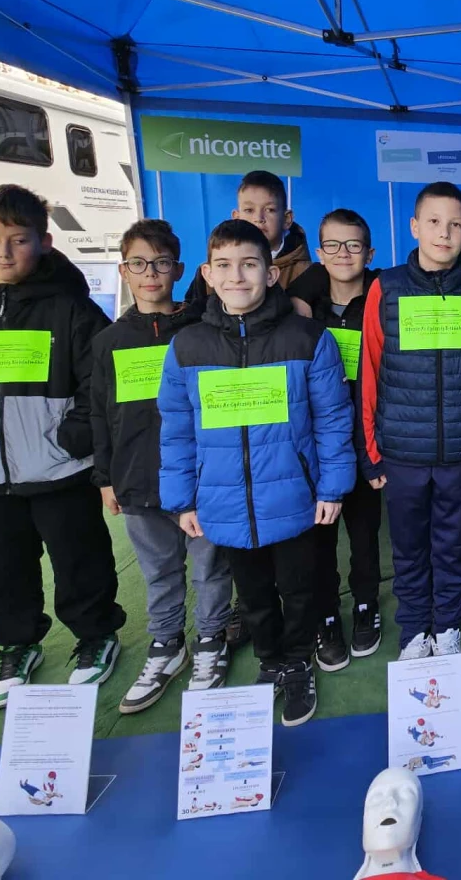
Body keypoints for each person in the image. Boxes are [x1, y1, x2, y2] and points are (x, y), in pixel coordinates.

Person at [0, 184, 124, 709]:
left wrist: (71, 438)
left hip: (60, 471)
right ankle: (17, 644)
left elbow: (99, 385)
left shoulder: (73, 312)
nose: (5, 253)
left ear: (44, 241)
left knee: (79, 558)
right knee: (3, 567)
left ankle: (95, 635)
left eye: (18, 240)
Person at [159, 219, 355, 727]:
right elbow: (176, 428)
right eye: (224, 266)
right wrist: (182, 498)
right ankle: (270, 660)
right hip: (224, 501)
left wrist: (332, 486)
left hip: (295, 497)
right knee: (253, 595)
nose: (237, 276)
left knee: (300, 588)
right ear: (207, 274)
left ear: (270, 274)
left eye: (249, 264)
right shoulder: (187, 347)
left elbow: (333, 418)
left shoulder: (308, 338)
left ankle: (298, 661)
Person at [91, 219, 232, 713]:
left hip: (200, 477)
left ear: (177, 269)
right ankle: (167, 644)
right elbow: (99, 412)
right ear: (123, 271)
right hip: (136, 477)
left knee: (210, 567)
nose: (150, 273)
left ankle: (212, 638)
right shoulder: (108, 341)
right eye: (138, 263)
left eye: (160, 263)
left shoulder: (200, 331)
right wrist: (105, 477)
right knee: (159, 571)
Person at [360, 181, 461, 661]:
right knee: (408, 548)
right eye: (435, 222)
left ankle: (447, 626)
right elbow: (370, 371)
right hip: (402, 453)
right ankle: (413, 630)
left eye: (456, 224)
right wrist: (371, 453)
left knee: (452, 547)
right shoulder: (386, 288)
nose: (445, 233)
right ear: (414, 227)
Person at [287, 209, 386, 666]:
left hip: (367, 440)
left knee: (365, 534)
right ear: (319, 253)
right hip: (316, 444)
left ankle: (366, 605)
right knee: (319, 539)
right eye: (333, 245)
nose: (343, 254)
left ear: (370, 252)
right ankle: (326, 616)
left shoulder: (385, 299)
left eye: (354, 245)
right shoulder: (300, 307)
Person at [184, 170, 313, 301]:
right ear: (236, 218)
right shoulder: (211, 273)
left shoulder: (307, 272)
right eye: (249, 210)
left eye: (270, 210)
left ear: (287, 219)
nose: (258, 218)